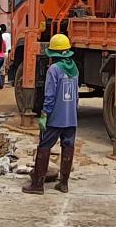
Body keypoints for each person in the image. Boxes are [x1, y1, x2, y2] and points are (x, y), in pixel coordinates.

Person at [23, 33, 79, 194]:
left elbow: (50, 95)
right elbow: (75, 95)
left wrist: (44, 114)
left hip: (55, 118)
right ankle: (64, 184)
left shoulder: (54, 69)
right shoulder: (74, 68)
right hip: (71, 118)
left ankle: (38, 185)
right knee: (68, 146)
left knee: (44, 146)